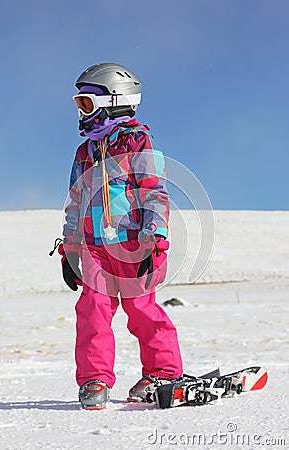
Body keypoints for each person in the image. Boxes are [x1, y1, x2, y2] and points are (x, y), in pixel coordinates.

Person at [55, 63, 183, 410]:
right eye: (79, 104)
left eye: (86, 103)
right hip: (95, 249)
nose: (81, 113)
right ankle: (95, 378)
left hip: (135, 245)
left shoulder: (138, 141)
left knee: (142, 310)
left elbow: (155, 191)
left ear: (113, 101)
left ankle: (163, 373)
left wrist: (155, 236)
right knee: (92, 310)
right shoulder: (84, 153)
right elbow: (75, 201)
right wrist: (70, 248)